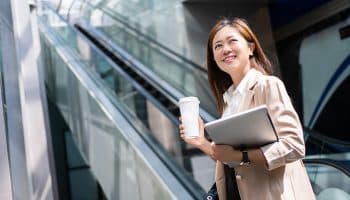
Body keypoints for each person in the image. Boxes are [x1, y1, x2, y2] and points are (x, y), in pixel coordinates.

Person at [179, 18, 315, 200]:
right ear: (214, 57)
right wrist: (201, 141)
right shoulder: (229, 101)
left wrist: (241, 155)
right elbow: (232, 161)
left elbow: (294, 145)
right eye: (218, 46)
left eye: (232, 41)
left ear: (250, 48)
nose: (225, 49)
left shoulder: (267, 86)